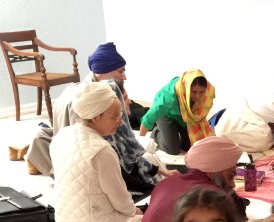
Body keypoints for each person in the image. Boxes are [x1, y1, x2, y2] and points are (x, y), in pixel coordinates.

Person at [26, 42, 175, 190]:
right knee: (146, 160)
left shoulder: (85, 92)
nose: (124, 77)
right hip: (84, 178)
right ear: (104, 72)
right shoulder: (98, 101)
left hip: (69, 163)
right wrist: (152, 188)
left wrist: (159, 171)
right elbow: (122, 152)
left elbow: (125, 144)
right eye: (120, 72)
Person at [50, 82, 144, 222]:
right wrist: (135, 212)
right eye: (114, 116)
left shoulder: (61, 136)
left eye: (120, 115)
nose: (120, 121)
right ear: (95, 116)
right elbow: (120, 200)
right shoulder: (101, 151)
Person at [215, 58, 274, 152]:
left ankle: (226, 138)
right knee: (266, 140)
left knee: (224, 130)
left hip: (239, 112)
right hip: (251, 119)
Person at [139, 69, 215, 155]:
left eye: (201, 92)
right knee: (173, 149)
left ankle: (172, 135)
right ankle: (156, 133)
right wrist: (139, 145)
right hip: (167, 114)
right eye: (194, 92)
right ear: (186, 88)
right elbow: (147, 119)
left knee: (193, 147)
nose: (197, 96)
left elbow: (200, 115)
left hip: (184, 117)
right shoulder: (169, 97)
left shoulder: (208, 92)